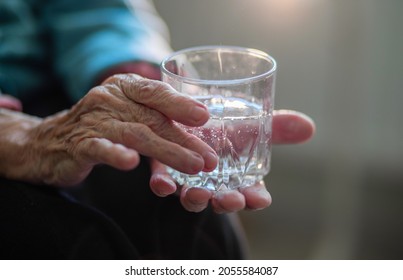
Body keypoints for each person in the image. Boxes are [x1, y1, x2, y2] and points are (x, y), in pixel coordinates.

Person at [0, 0, 315, 259]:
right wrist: (15, 134)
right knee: (69, 240)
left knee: (193, 224)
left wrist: (136, 79)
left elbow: (94, 10)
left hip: (61, 91)